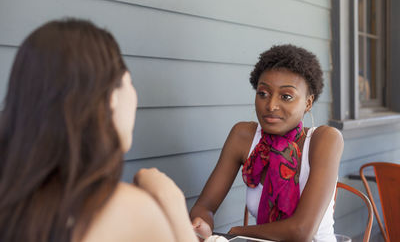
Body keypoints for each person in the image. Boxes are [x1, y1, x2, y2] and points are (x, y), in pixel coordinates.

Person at [0, 19, 198, 242]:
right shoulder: (128, 211)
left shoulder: (12, 202)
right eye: (129, 82)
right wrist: (172, 204)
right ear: (112, 97)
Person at [190, 44, 344, 242]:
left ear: (308, 103)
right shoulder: (243, 136)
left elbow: (301, 231)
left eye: (286, 96)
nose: (271, 105)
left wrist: (238, 232)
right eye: (263, 93)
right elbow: (205, 206)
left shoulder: (324, 140)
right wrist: (202, 224)